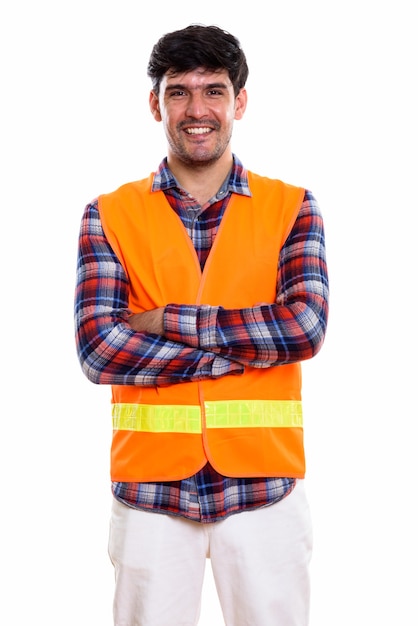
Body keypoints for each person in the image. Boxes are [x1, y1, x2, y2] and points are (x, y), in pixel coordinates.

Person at [74, 23, 329, 626]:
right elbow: (99, 350)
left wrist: (164, 321)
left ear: (239, 102)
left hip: (264, 489)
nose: (197, 109)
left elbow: (304, 329)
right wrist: (239, 350)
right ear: (155, 104)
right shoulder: (108, 214)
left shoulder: (292, 207)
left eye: (213, 90)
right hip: (151, 495)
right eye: (179, 91)